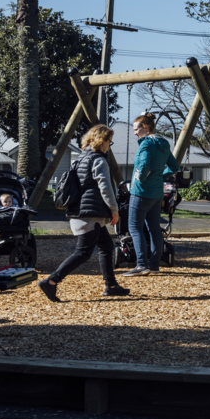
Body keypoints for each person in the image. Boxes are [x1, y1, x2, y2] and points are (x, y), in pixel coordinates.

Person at [37, 125, 129, 301]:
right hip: (90, 214)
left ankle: (111, 285)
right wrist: (114, 210)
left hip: (81, 211)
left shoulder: (80, 158)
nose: (109, 146)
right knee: (83, 252)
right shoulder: (99, 160)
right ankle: (51, 281)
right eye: (109, 142)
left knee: (107, 246)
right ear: (102, 141)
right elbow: (106, 187)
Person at [124, 113, 179, 277]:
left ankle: (141, 264)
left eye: (136, 129)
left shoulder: (146, 145)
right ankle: (154, 264)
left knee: (135, 228)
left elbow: (144, 164)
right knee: (154, 229)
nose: (135, 133)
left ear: (145, 127)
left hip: (141, 192)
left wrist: (139, 178)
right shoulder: (163, 144)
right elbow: (174, 166)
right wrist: (159, 177)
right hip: (157, 193)